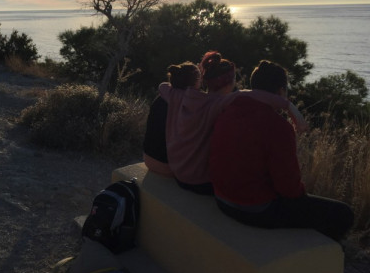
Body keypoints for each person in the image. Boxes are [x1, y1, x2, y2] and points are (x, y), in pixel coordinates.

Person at [209, 60, 353, 241]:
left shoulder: (228, 109)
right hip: (255, 210)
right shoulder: (278, 126)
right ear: (280, 91)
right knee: (344, 214)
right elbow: (289, 189)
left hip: (221, 199)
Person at [159, 51, 306, 195]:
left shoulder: (177, 96)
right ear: (229, 82)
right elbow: (251, 94)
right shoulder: (218, 103)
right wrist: (288, 105)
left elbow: (162, 86)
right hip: (200, 182)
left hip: (177, 173)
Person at [143, 62, 200, 177]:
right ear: (195, 82)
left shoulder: (161, 97)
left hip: (148, 158)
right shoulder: (190, 106)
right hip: (168, 166)